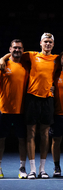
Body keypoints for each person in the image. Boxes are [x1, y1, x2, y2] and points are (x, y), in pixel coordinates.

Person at [0, 33, 59, 179]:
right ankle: (23, 168)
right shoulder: (29, 57)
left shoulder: (55, 59)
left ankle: (34, 169)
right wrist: (2, 58)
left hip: (37, 103)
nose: (48, 44)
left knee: (37, 136)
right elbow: (13, 53)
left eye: (50, 42)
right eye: (45, 41)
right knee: (11, 137)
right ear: (40, 43)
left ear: (53, 44)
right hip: (21, 103)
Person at [0, 39, 28, 179]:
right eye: (15, 48)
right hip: (4, 110)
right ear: (10, 49)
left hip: (22, 111)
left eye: (20, 48)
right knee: (1, 140)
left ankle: (22, 168)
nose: (17, 50)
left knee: (22, 140)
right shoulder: (3, 65)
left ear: (23, 50)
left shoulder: (26, 65)